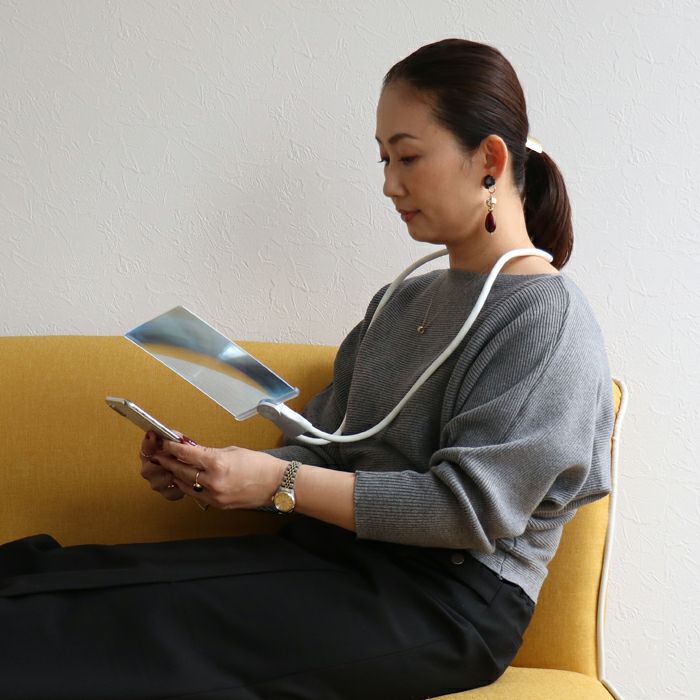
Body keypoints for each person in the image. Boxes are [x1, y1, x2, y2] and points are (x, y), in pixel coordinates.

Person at [0, 38, 614, 699]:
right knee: (53, 580)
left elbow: (467, 511)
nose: (389, 184)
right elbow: (329, 446)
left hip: (446, 604)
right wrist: (211, 470)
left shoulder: (545, 318)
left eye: (408, 156)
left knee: (84, 631)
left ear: (489, 160)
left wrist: (276, 481)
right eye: (384, 159)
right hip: (326, 557)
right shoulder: (400, 301)